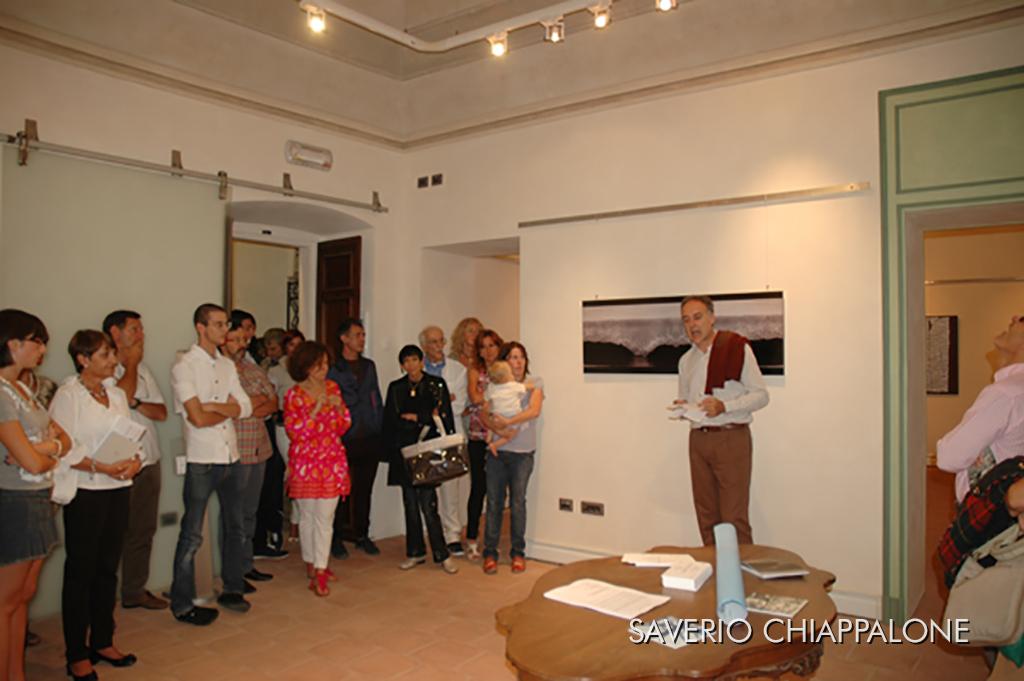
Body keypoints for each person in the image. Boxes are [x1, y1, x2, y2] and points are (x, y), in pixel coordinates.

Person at [50, 330, 142, 680]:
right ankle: (76, 653)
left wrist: (135, 461)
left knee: (107, 568)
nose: (113, 360)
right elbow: (63, 448)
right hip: (86, 490)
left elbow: (130, 435)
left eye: (112, 354)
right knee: (81, 571)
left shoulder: (115, 393)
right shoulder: (68, 395)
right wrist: (101, 467)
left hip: (118, 487)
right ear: (83, 359)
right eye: (105, 355)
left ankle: (103, 640)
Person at [169, 303, 253, 626]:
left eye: (226, 324)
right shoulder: (185, 366)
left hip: (231, 455)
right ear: (201, 328)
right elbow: (197, 418)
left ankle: (232, 589)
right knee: (192, 534)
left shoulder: (227, 365)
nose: (225, 330)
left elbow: (245, 407)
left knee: (236, 527)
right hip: (202, 459)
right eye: (218, 324)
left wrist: (213, 406)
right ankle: (182, 603)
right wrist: (223, 409)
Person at [0, 309, 70, 681]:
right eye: (37, 342)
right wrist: (43, 452)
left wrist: (45, 449)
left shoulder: (23, 389)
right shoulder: (1, 393)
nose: (42, 350)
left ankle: (16, 673)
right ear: (13, 344)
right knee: (5, 601)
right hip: (15, 501)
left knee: (23, 595)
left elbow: (63, 440)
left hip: (38, 496)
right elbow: (28, 460)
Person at [675, 295, 769, 546]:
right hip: (698, 440)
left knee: (733, 519)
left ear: (712, 317)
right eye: (686, 320)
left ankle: (742, 571)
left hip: (731, 438)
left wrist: (724, 406)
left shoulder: (737, 348)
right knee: (706, 516)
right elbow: (687, 398)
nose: (692, 325)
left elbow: (761, 396)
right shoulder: (686, 361)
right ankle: (714, 568)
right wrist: (683, 406)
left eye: (697, 317)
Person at [102, 310, 170, 611]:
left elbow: (160, 412)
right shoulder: (104, 367)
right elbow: (117, 402)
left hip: (149, 459)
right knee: (112, 532)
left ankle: (134, 590)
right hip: (117, 464)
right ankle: (102, 597)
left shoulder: (143, 370)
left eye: (141, 329)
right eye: (134, 329)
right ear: (115, 333)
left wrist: (136, 402)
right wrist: (129, 365)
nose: (141, 335)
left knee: (143, 530)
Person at [383, 345, 459, 574]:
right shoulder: (396, 387)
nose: (411, 365)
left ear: (421, 361)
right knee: (410, 504)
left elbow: (443, 416)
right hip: (403, 450)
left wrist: (417, 417)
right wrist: (421, 419)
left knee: (429, 504)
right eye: (406, 361)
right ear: (401, 365)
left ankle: (442, 554)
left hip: (428, 450)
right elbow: (391, 419)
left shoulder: (436, 384)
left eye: (414, 359)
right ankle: (415, 552)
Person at [284, 341, 351, 597]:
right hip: (305, 462)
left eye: (325, 364)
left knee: (325, 517)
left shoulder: (333, 387)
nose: (324, 369)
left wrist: (338, 407)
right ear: (305, 367)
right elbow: (295, 432)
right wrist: (314, 409)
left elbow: (343, 425)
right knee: (308, 516)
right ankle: (311, 563)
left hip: (331, 460)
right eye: (318, 365)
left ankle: (321, 568)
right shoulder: (294, 395)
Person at [937, 314, 1024, 503]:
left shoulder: (1005, 394)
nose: (1014, 317)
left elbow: (949, 457)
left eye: (1022, 319)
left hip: (993, 509)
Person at [220, 321, 279, 587]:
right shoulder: (218, 371)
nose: (241, 344)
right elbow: (229, 407)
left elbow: (273, 402)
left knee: (250, 511)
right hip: (236, 450)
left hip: (259, 447)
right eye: (235, 340)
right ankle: (232, 572)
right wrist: (252, 404)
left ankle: (246, 564)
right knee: (233, 515)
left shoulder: (253, 369)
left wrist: (249, 405)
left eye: (244, 340)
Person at [481, 342, 544, 575]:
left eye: (521, 357)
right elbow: (484, 414)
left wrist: (507, 423)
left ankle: (518, 552)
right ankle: (490, 553)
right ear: (505, 362)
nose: (518, 362)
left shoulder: (534, 383)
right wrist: (497, 428)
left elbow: (533, 411)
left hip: (522, 454)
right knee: (494, 503)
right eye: (513, 357)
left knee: (518, 503)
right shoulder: (495, 385)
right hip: (497, 453)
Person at [326, 318, 383, 559]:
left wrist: (379, 427)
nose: (362, 339)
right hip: (344, 437)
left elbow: (376, 397)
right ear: (344, 338)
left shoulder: (369, 366)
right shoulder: (333, 369)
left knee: (364, 489)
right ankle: (336, 537)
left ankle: (362, 535)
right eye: (357, 335)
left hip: (369, 435)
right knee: (340, 492)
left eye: (363, 335)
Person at [420, 325, 468, 557]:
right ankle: (431, 533)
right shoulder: (416, 368)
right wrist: (443, 400)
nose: (439, 346)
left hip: (450, 433)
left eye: (441, 341)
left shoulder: (458, 370)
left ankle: (453, 536)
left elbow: (458, 405)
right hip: (424, 434)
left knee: (450, 487)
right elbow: (417, 404)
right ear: (424, 346)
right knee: (427, 486)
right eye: (433, 342)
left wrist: (439, 404)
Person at [464, 328, 503, 560]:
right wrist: (494, 398)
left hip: (500, 436)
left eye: (492, 345)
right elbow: (474, 397)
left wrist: (486, 399)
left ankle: (492, 540)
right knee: (478, 488)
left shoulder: (505, 368)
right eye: (483, 346)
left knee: (497, 492)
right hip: (478, 436)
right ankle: (471, 538)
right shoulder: (474, 370)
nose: (488, 351)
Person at [269, 329, 305, 543]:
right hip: (285, 426)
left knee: (303, 472)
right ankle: (293, 524)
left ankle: (297, 523)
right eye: (292, 345)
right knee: (293, 471)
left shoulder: (309, 369)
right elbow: (271, 399)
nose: (295, 349)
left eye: (299, 344)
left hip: (308, 427)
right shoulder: (276, 371)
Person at [484, 360, 527, 455]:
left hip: (496, 414)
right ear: (507, 376)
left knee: (492, 420)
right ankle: (495, 445)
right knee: (512, 433)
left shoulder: (491, 386)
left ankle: (490, 434)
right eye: (511, 373)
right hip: (511, 414)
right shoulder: (514, 385)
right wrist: (533, 386)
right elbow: (526, 388)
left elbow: (486, 399)